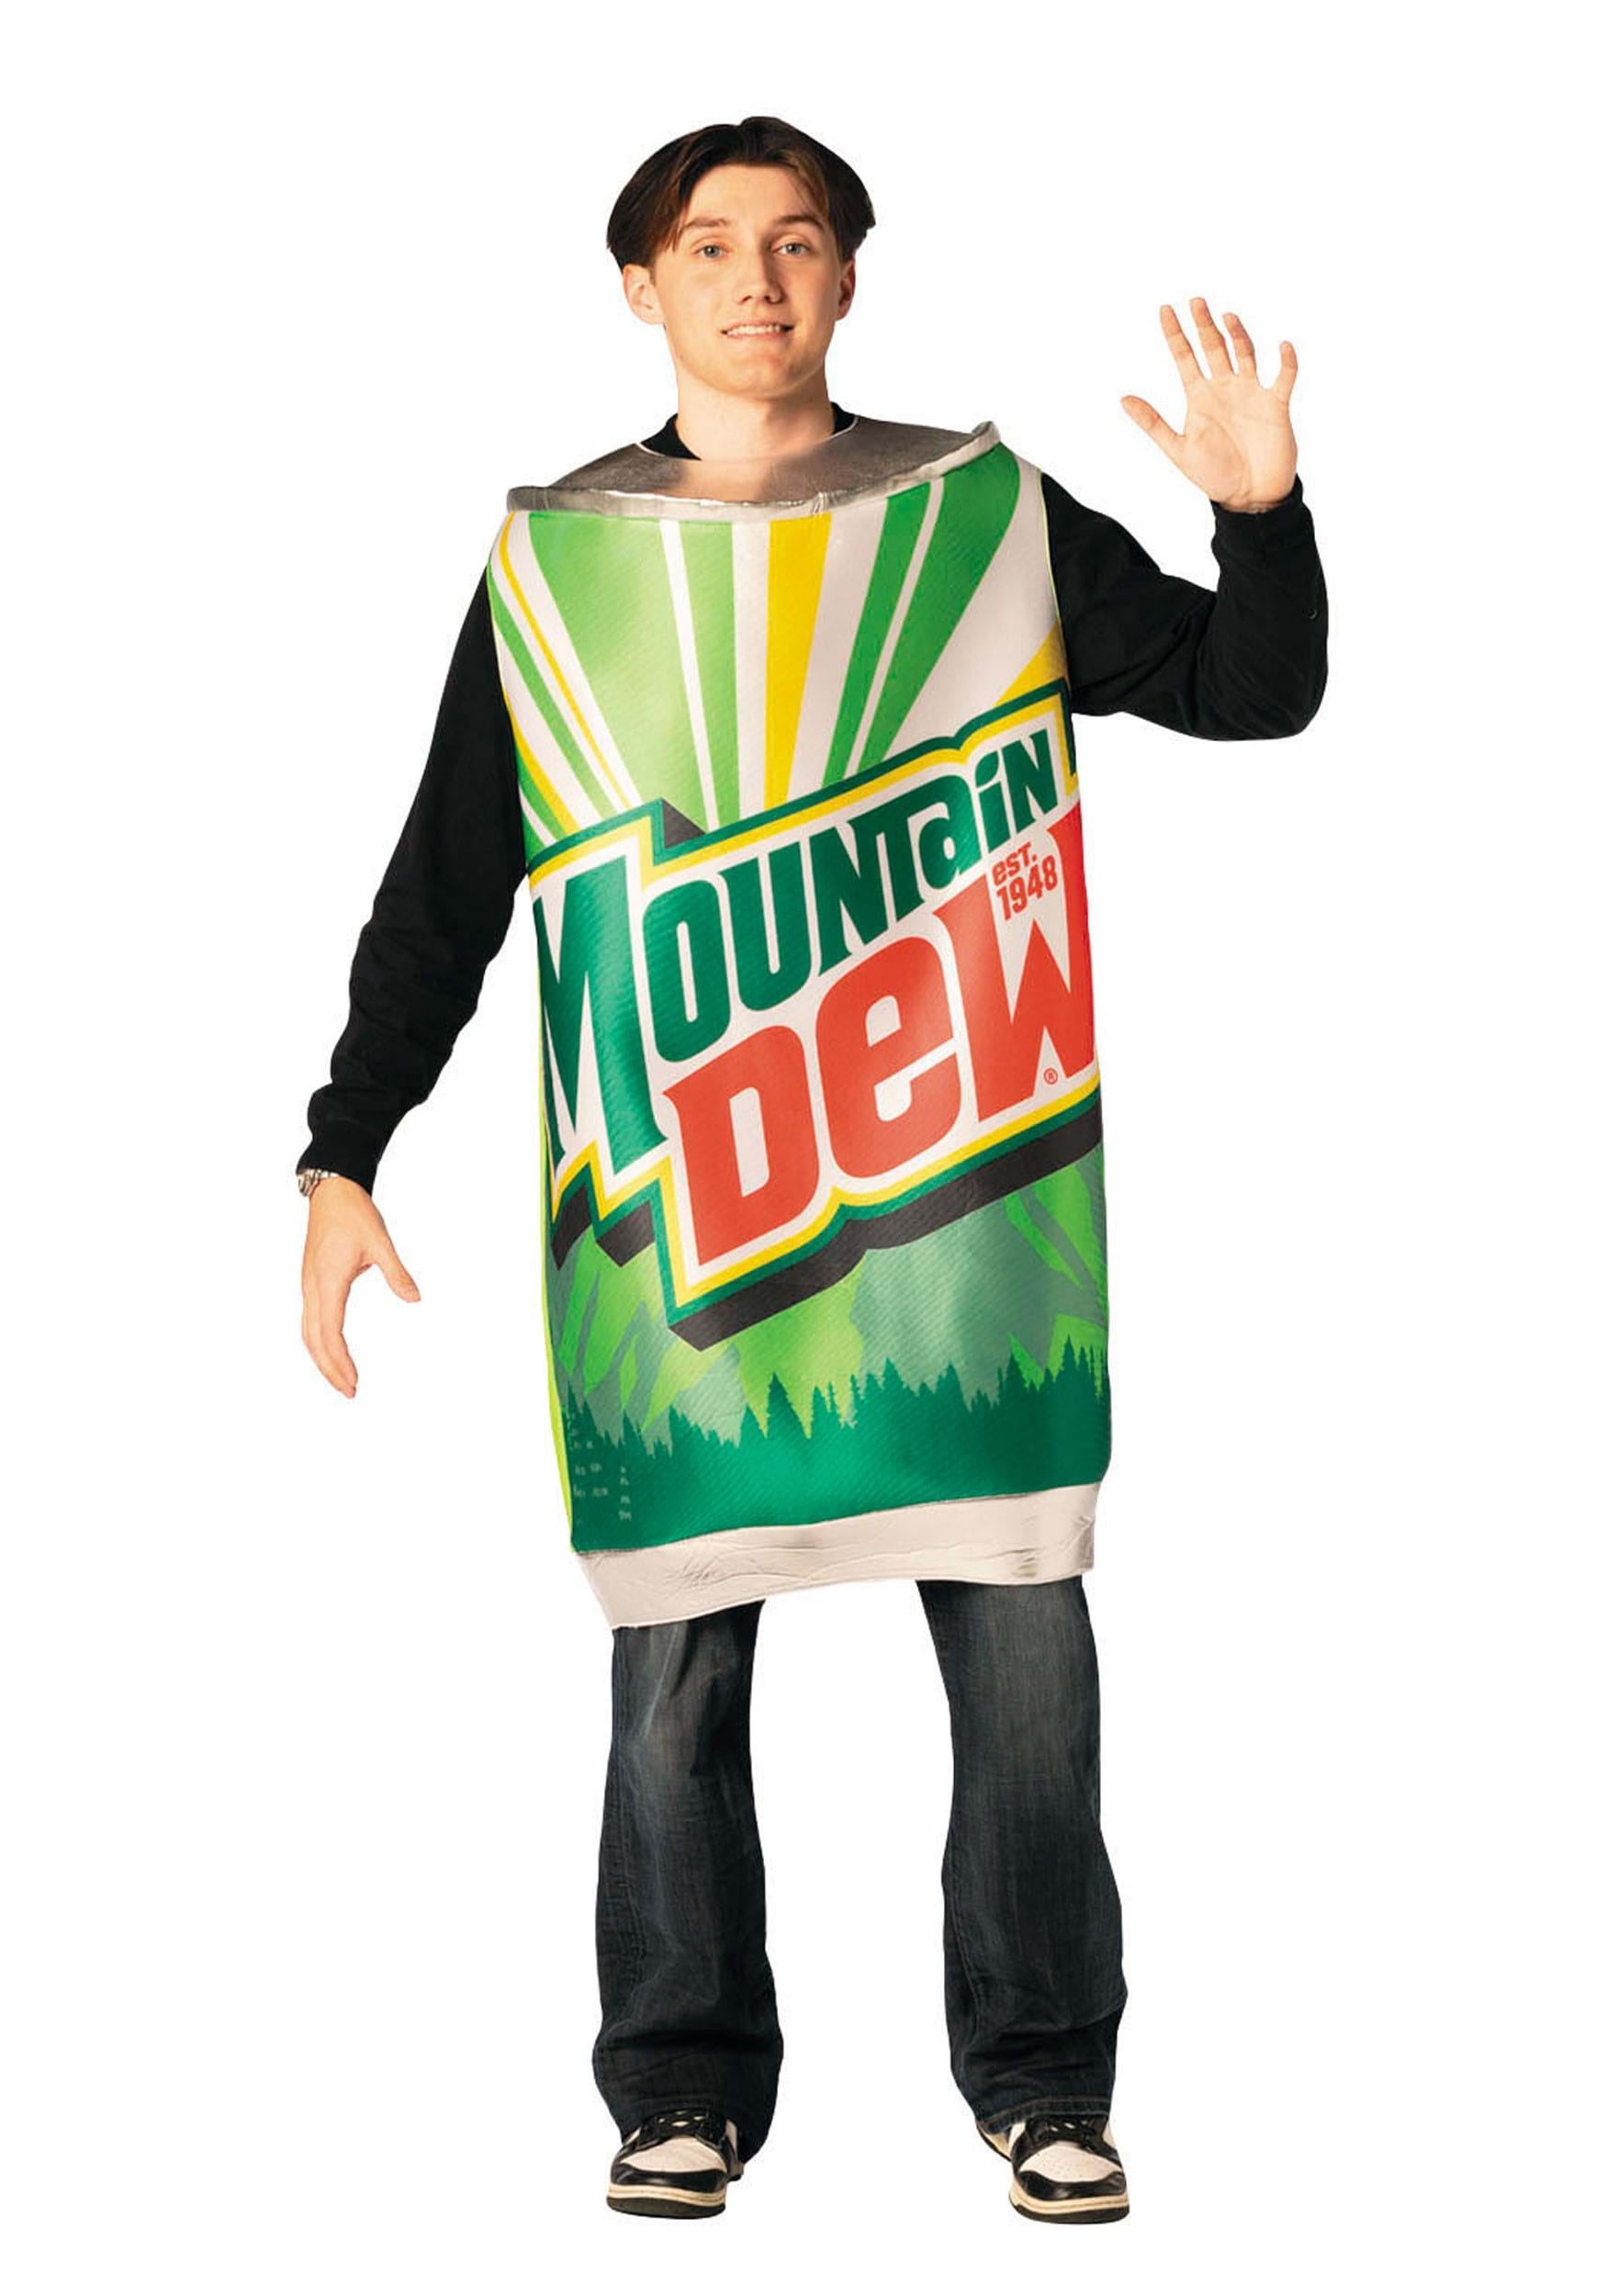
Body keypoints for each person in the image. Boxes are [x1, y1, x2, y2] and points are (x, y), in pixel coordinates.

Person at [297, 115, 1328, 2224]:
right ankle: (679, 2081)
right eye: (708, 245)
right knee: (671, 1673)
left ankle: (1042, 2080)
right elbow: (446, 882)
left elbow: (1252, 691)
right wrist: (343, 1147)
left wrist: (1261, 518)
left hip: (976, 1221)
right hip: (674, 1232)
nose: (753, 279)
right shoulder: (559, 558)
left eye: (793, 242)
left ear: (849, 274)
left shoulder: (976, 517)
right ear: (638, 285)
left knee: (1025, 1664)